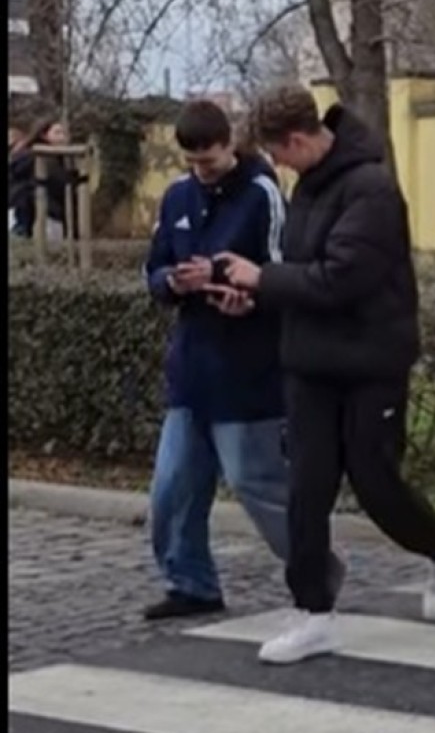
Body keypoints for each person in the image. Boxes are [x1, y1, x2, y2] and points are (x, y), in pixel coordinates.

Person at [217, 85, 435, 665]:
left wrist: (264, 280)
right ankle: (313, 613)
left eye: (280, 154)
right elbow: (302, 273)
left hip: (370, 363)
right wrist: (255, 297)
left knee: (376, 482)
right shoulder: (310, 185)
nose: (277, 166)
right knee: (307, 489)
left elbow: (339, 281)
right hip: (310, 362)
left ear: (302, 140)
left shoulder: (372, 190)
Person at [140, 100, 335, 618]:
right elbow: (154, 268)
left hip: (248, 370)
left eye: (210, 160)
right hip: (192, 368)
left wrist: (240, 293)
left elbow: (280, 269)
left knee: (259, 485)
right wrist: (173, 283)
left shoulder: (262, 194)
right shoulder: (178, 197)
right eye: (193, 163)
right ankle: (191, 583)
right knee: (172, 488)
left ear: (230, 144)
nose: (202, 172)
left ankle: (317, 569)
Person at [8, 116, 76, 239]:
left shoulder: (62, 159)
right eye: (57, 132)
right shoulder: (36, 157)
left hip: (51, 214)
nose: (62, 138)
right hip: (38, 213)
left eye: (64, 134)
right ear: (45, 135)